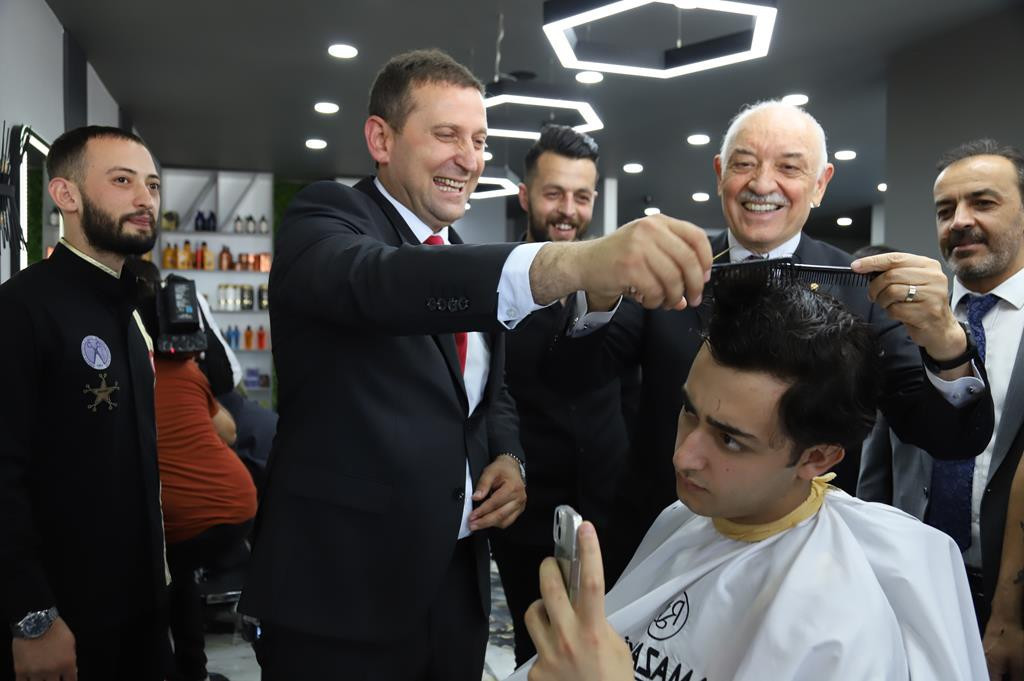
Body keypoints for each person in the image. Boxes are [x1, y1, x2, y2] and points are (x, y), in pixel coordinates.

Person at [238, 49, 713, 681]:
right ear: (381, 139)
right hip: (342, 590)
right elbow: (383, 283)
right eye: (447, 135)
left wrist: (509, 457)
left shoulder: (459, 249)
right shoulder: (326, 218)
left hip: (452, 586)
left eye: (480, 141)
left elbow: (492, 393)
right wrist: (575, 262)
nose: (469, 158)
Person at [546, 100, 995, 584]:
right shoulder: (670, 269)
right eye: (744, 164)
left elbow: (948, 436)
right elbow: (573, 377)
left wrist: (945, 338)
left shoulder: (859, 288)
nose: (762, 185)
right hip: (663, 541)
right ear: (720, 173)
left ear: (820, 184)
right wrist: (597, 292)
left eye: (789, 168)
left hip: (805, 563)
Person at [513, 276, 987, 681]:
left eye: (730, 440)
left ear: (817, 457)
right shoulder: (683, 518)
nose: (683, 457)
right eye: (689, 412)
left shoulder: (839, 625)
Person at [0, 126, 168, 680]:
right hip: (63, 617)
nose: (145, 199)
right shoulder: (22, 309)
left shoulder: (130, 311)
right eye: (122, 181)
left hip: (138, 606)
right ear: (65, 194)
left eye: (152, 184)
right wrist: (32, 617)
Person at [859, 139, 1024, 677]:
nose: (960, 221)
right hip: (912, 585)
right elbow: (880, 462)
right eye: (945, 209)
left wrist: (1012, 613)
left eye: (983, 202)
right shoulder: (902, 320)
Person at [492, 124, 640, 666]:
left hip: (610, 509)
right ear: (525, 195)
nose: (568, 210)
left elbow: (632, 389)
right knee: (536, 654)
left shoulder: (622, 283)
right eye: (554, 194)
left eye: (581, 196)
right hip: (528, 512)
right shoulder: (496, 285)